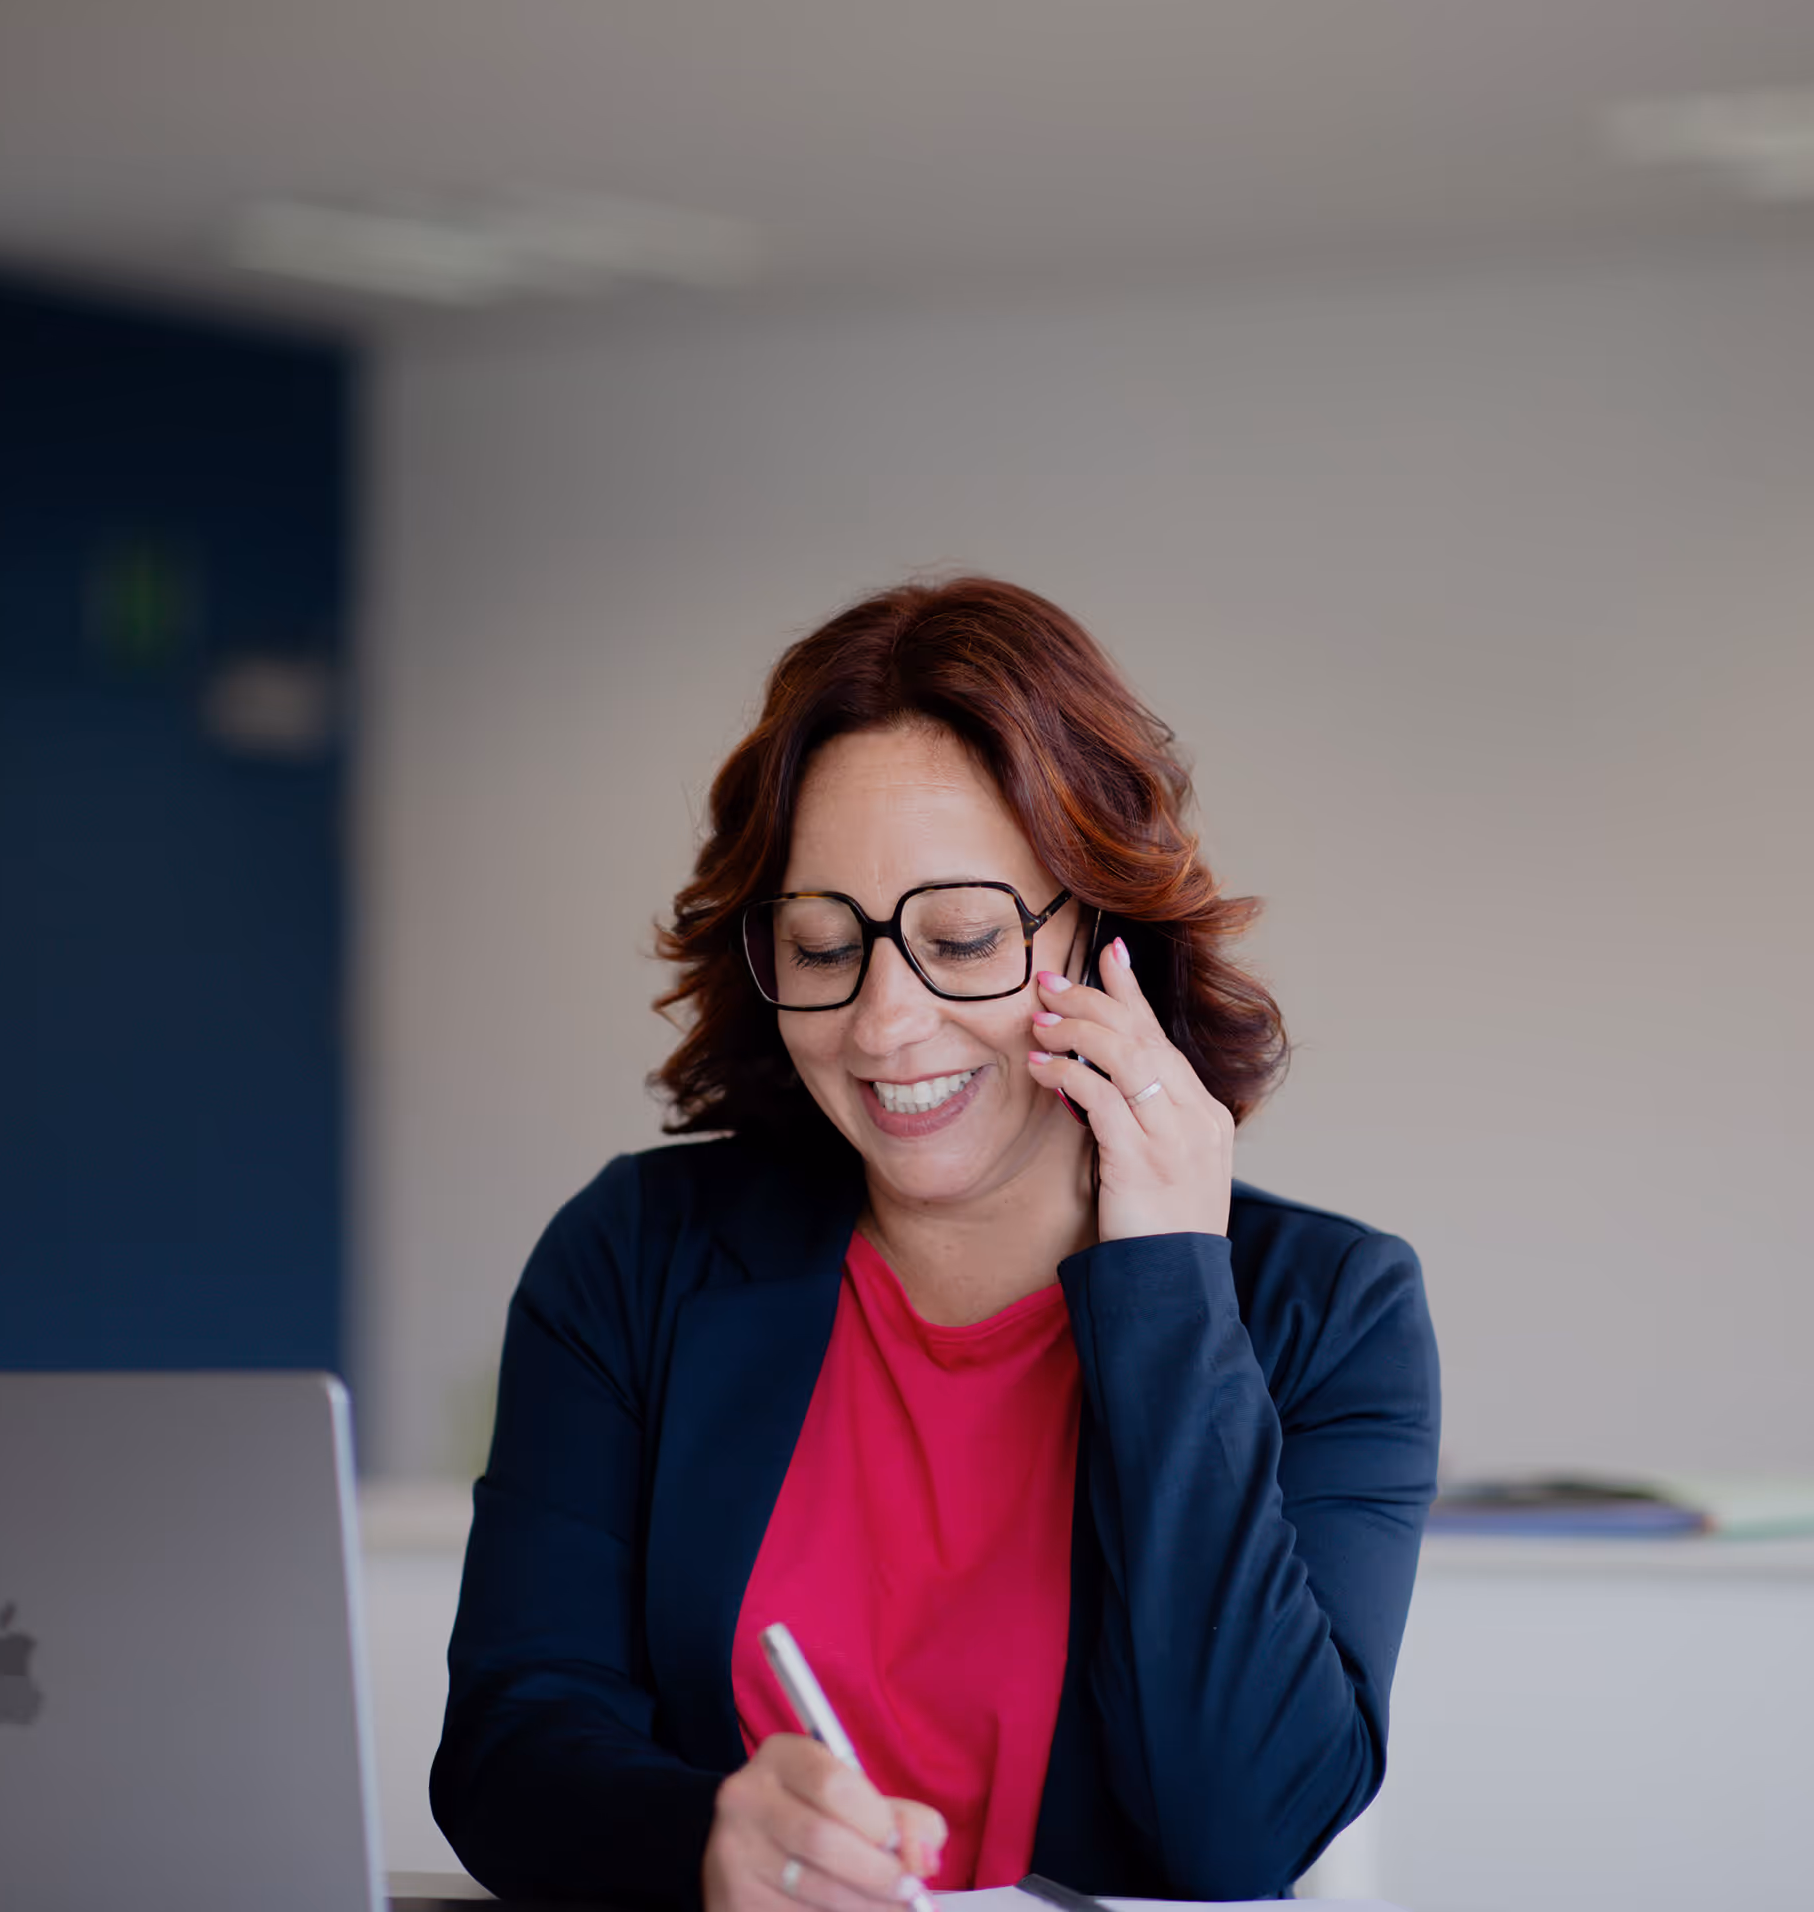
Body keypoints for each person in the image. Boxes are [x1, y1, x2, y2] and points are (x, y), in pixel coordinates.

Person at [431, 576, 1439, 1912]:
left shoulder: (1331, 1309)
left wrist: (1167, 1287)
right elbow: (511, 1739)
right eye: (821, 942)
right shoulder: (634, 1256)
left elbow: (1239, 1833)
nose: (884, 1024)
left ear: (1102, 935)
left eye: (962, 938)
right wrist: (707, 1842)